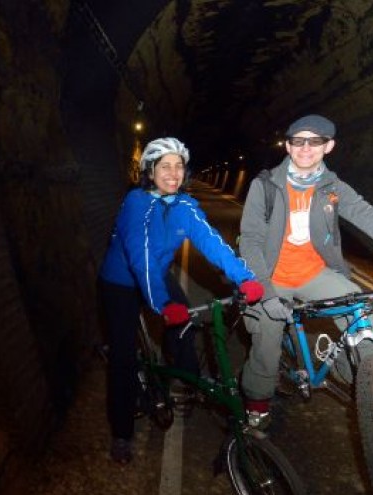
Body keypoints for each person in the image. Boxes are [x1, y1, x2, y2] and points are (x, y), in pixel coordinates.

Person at [237, 114, 373, 429]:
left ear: (329, 146)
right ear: (288, 145)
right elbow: (251, 242)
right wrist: (265, 292)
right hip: (271, 277)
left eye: (315, 141)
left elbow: (372, 220)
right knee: (266, 342)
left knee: (368, 323)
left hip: (314, 274)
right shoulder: (266, 185)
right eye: (299, 141)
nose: (306, 148)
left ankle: (353, 374)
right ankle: (257, 404)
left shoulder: (332, 187)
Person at [98, 137, 265, 464]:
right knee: (123, 360)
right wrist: (162, 304)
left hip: (157, 275)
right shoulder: (136, 202)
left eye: (178, 166)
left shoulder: (185, 206)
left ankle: (185, 383)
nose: (173, 173)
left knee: (185, 322)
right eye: (165, 167)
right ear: (150, 171)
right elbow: (140, 256)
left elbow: (211, 242)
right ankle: (121, 434)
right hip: (121, 281)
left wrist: (245, 278)